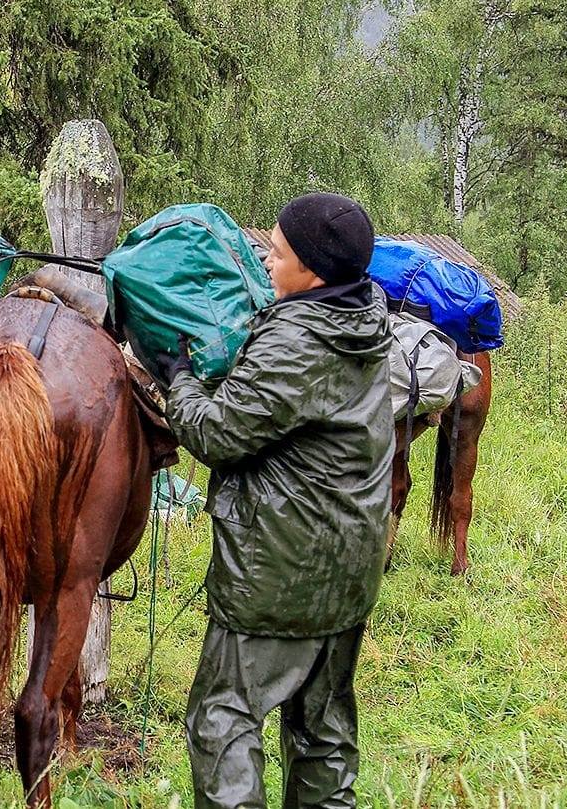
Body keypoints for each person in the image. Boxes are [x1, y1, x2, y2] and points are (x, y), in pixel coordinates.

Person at [149, 192, 393, 809]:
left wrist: (176, 378)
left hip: (281, 573)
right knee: (324, 733)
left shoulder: (297, 342)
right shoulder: (363, 319)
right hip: (350, 567)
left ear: (311, 272)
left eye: (276, 253)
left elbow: (219, 433)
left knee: (224, 718)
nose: (266, 260)